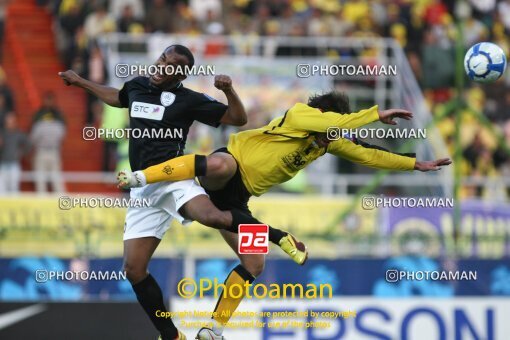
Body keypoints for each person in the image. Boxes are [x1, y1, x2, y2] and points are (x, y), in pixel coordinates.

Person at [117, 91, 451, 340]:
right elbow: (337, 124)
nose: (329, 139)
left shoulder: (328, 141)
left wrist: (414, 164)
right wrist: (376, 114)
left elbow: (367, 154)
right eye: (329, 130)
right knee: (219, 163)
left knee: (254, 263)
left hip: (238, 197)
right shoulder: (301, 115)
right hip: (230, 164)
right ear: (323, 116)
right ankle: (145, 176)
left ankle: (214, 328)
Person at [58, 44, 308, 340]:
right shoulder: (138, 86)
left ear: (181, 74)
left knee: (223, 228)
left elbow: (237, 119)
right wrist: (81, 82)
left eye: (169, 64)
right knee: (134, 269)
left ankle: (279, 237)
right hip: (146, 191)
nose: (160, 65)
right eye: (162, 58)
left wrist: (228, 90)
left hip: (178, 180)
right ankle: (174, 335)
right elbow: (119, 97)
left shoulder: (189, 100)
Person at [30, 102, 66, 193]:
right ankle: (61, 199)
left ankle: (42, 200)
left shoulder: (39, 125)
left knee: (40, 178)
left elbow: (33, 139)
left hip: (42, 152)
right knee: (56, 177)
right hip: (54, 152)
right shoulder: (59, 126)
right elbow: (62, 137)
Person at [0, 113, 29, 193]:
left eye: (11, 121)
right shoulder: (2, 133)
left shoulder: (18, 134)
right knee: (2, 189)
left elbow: (28, 143)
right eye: (8, 121)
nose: (9, 123)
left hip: (14, 164)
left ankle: (13, 206)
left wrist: (21, 153)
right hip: (2, 164)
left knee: (14, 188)